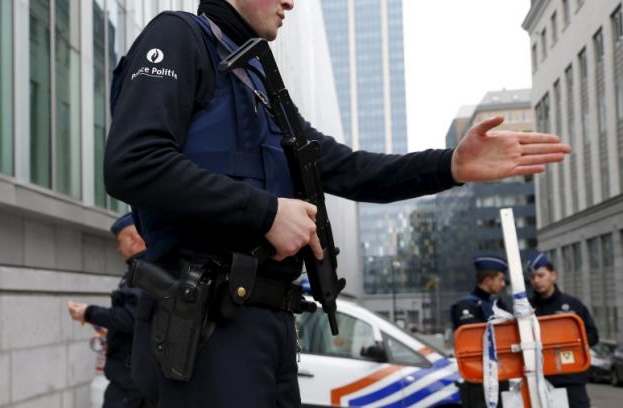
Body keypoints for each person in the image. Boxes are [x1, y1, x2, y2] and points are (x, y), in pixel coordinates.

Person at [103, 0, 571, 406]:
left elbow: (349, 168)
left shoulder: (258, 81)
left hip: (269, 326)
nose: (291, 3)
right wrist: (266, 212)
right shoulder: (180, 37)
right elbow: (132, 162)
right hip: (207, 329)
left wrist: (450, 165)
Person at [67, 213, 151, 408]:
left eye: (120, 241)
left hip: (129, 380)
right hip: (133, 376)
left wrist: (89, 313)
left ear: (132, 239)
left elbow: (131, 318)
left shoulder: (143, 272)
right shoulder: (142, 269)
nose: (117, 248)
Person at [528, 251, 598, 408]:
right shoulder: (526, 309)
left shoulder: (572, 305)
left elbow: (593, 336)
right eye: (533, 277)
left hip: (571, 380)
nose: (537, 281)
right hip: (540, 381)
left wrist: (569, 343)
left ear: (553, 275)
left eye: (541, 275)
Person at [450, 255, 509, 407]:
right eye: (500, 279)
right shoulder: (466, 306)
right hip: (477, 381)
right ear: (489, 281)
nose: (503, 284)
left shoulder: (498, 304)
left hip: (500, 377)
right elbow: (473, 343)